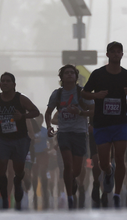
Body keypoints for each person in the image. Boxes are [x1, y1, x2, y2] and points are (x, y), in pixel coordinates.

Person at [81, 41, 127, 208]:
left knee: (120, 157)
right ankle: (108, 172)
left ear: (122, 54)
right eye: (112, 52)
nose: (115, 54)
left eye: (118, 51)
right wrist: (96, 95)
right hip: (102, 123)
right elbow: (84, 92)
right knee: (104, 162)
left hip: (120, 122)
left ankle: (117, 193)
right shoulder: (98, 74)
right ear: (107, 55)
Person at [0, 72, 41, 210]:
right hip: (2, 139)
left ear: (14, 84)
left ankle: (18, 182)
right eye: (2, 81)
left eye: (8, 81)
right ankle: (5, 198)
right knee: (1, 168)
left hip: (20, 139)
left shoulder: (21, 99)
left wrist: (22, 116)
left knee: (19, 170)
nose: (4, 83)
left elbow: (36, 112)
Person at [45, 64, 94, 210]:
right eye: (66, 73)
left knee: (77, 170)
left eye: (72, 73)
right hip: (64, 133)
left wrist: (79, 113)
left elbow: (93, 110)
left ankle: (73, 180)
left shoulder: (82, 93)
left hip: (79, 133)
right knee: (67, 164)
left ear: (76, 76)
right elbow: (48, 113)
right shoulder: (57, 94)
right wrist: (49, 127)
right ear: (62, 77)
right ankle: (70, 197)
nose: (69, 75)